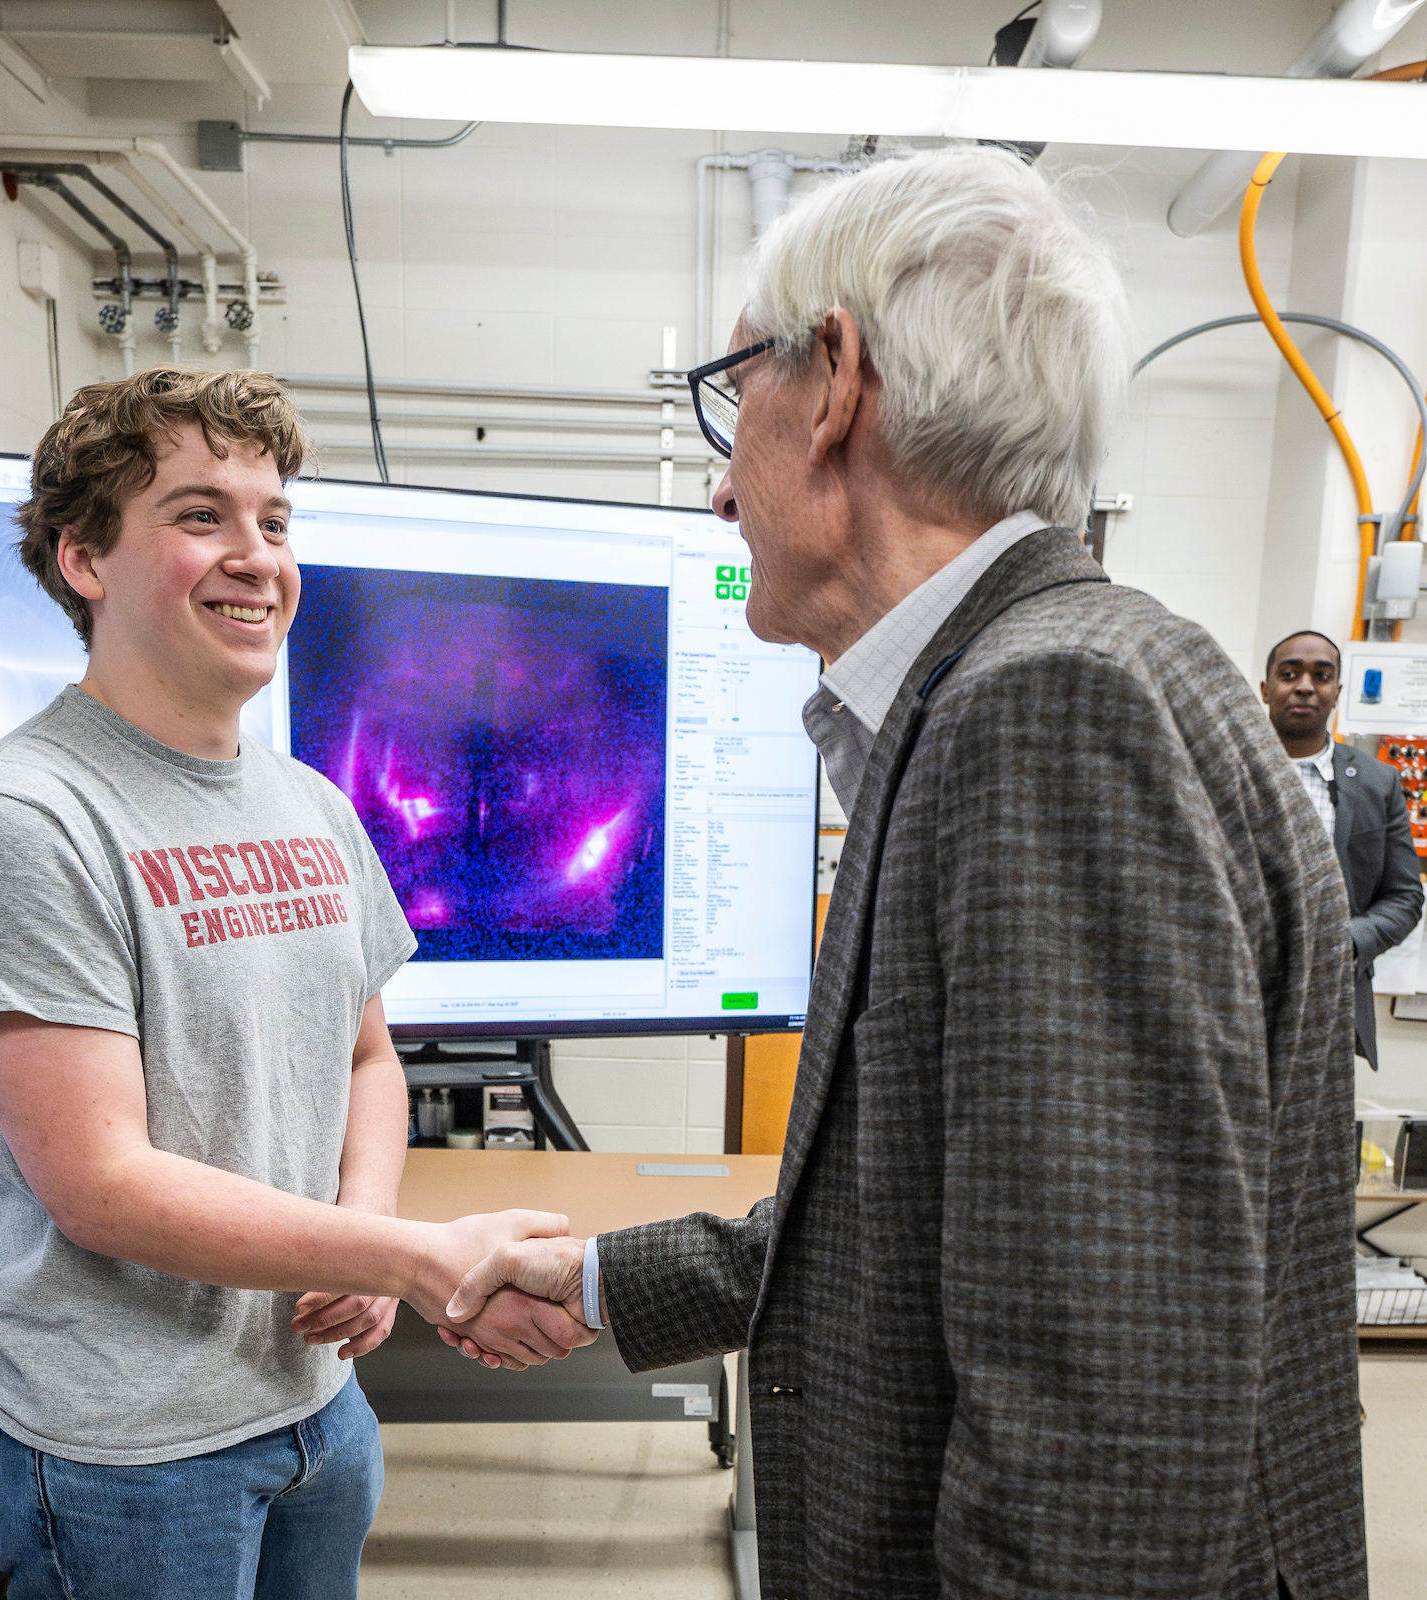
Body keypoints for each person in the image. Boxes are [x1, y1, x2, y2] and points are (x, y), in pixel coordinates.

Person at [442, 148, 1367, 1598]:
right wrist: (614, 1281)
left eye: (730, 390)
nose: (717, 471)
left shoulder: (1043, 710)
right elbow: (945, 1210)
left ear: (835, 386)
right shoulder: (1068, 671)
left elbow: (1104, 1417)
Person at [0, 368, 593, 1600]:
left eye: (275, 520)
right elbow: (103, 1186)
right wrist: (417, 1257)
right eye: (200, 514)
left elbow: (368, 1057)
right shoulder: (20, 817)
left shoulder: (311, 802)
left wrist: (373, 1246)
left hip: (319, 1408)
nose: (257, 555)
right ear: (84, 558)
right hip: (127, 1452)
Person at [1259, 628, 1423, 1068]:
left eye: (1321, 675)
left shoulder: (1377, 783)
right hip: (1232, 991)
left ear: (1337, 692)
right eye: (1289, 674)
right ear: (1265, 689)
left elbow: (1405, 897)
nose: (1305, 686)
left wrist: (1349, 942)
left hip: (1328, 998)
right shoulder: (1222, 770)